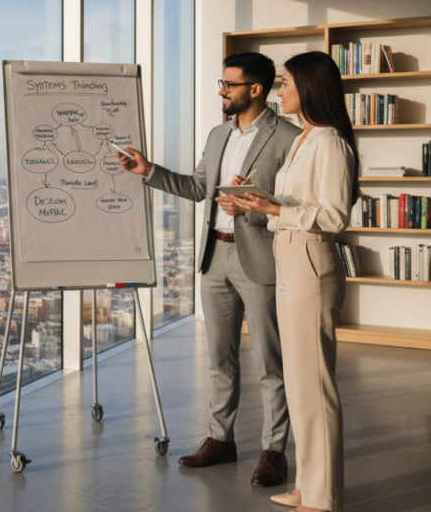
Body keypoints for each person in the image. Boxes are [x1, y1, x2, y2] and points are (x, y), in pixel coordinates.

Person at [119, 53, 301, 486]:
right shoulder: (218, 134)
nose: (221, 91)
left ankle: (274, 451)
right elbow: (199, 188)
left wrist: (253, 206)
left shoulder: (290, 137)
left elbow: (296, 204)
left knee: (270, 362)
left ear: (255, 90)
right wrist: (149, 170)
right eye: (221, 84)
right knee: (220, 359)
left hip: (260, 254)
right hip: (214, 257)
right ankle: (221, 440)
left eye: (228, 85)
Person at [226, 50, 359, 512]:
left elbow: (334, 216)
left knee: (315, 384)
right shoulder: (305, 139)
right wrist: (261, 200)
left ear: (309, 87)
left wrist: (277, 211)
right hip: (289, 257)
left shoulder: (329, 143)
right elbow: (300, 202)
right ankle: (309, 483)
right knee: (299, 382)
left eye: (285, 84)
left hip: (309, 260)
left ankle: (324, 500)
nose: (279, 91)